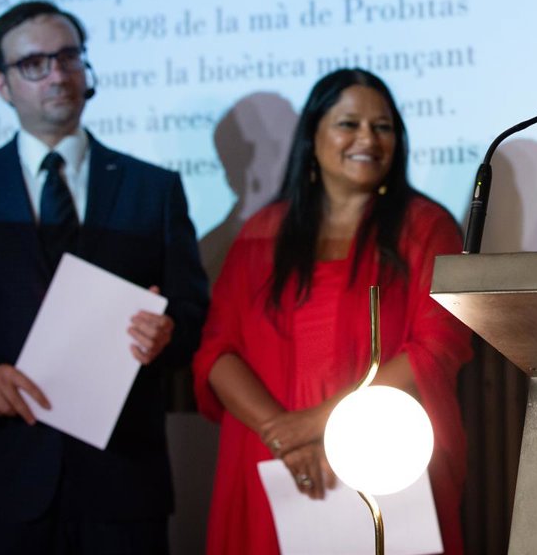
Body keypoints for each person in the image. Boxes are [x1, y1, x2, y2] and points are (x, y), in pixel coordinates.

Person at [0, 0, 209, 554]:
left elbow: (191, 313)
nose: (58, 75)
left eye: (68, 57)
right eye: (34, 64)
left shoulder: (152, 190)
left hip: (121, 479)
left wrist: (167, 334)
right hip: (2, 474)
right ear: (2, 84)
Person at [192, 69, 471, 555]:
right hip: (274, 462)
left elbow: (437, 348)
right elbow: (217, 353)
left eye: (383, 127)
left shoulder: (426, 227)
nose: (368, 139)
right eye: (349, 124)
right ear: (313, 135)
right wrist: (283, 436)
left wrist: (321, 425)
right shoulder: (261, 232)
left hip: (377, 454)